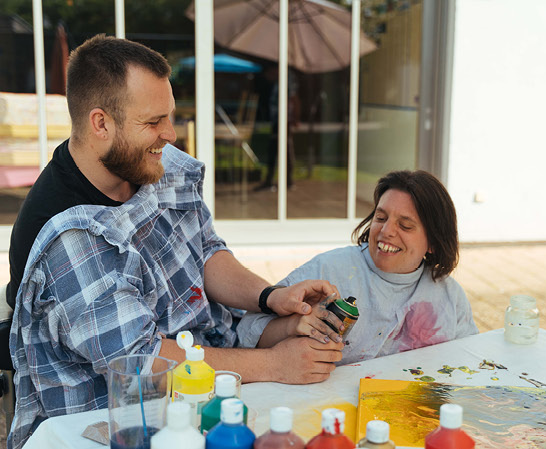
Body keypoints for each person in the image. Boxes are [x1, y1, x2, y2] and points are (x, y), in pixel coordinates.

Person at [6, 35, 342, 448]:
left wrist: (271, 296)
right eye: (153, 122)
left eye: (171, 116)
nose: (171, 134)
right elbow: (146, 364)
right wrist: (275, 364)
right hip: (110, 424)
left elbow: (205, 250)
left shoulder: (147, 161)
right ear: (100, 124)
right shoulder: (67, 239)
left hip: (205, 384)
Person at [234, 170, 477, 364]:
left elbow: (470, 359)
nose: (386, 231)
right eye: (380, 218)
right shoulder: (328, 271)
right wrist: (289, 326)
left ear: (433, 242)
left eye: (405, 225)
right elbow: (246, 333)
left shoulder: (449, 296)